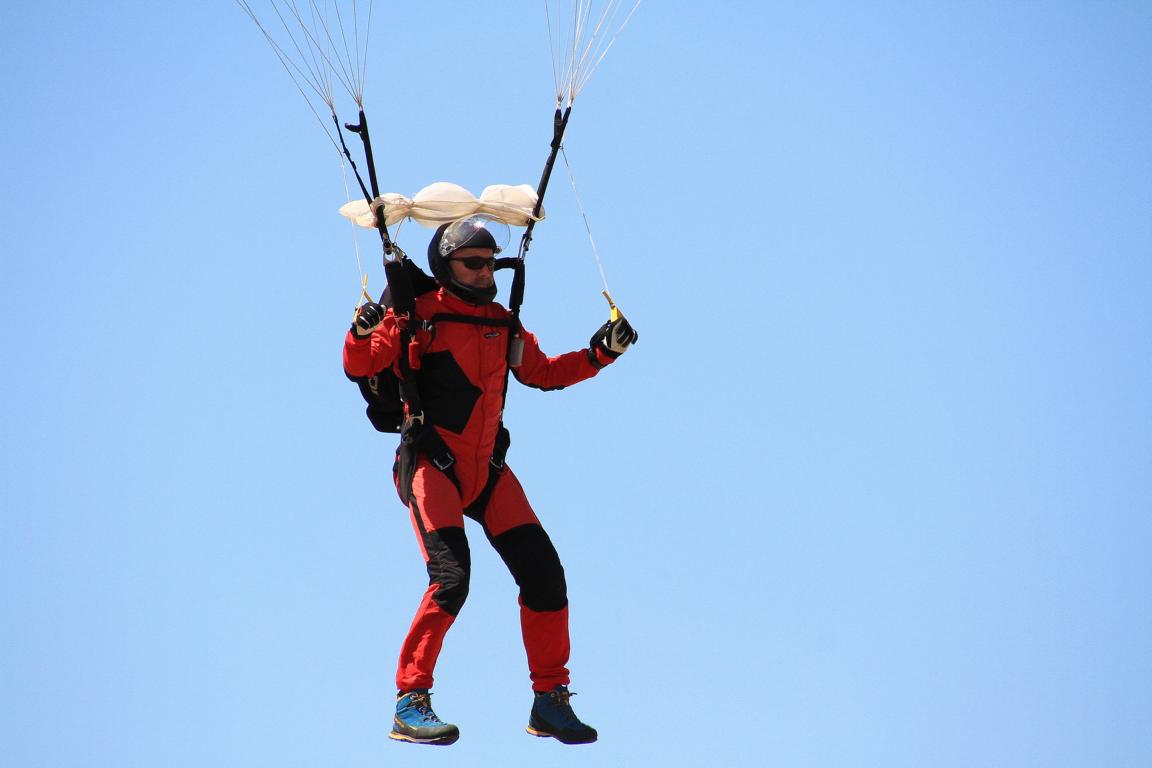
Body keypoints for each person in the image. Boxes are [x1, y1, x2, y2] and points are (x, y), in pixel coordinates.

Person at [342, 217, 637, 746]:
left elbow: (543, 372)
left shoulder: (503, 323)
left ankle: (550, 700)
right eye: (474, 265)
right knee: (452, 578)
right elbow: (362, 363)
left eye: (490, 264)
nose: (486, 273)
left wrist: (600, 354)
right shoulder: (417, 316)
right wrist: (360, 332)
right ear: (446, 266)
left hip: (488, 472)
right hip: (432, 466)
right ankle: (410, 700)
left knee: (545, 575)